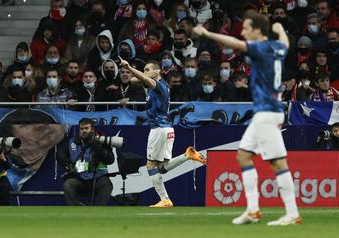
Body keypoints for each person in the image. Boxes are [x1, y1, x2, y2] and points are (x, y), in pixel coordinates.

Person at [193, 10, 301, 225]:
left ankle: (292, 213)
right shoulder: (277, 47)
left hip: (267, 112)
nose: (242, 31)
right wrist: (279, 29)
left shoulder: (260, 48)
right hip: (267, 111)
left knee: (278, 163)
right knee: (243, 156)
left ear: (258, 31)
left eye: (246, 28)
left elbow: (235, 43)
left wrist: (207, 33)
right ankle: (253, 210)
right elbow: (285, 42)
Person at [118, 56, 206, 208]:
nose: (144, 72)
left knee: (151, 166)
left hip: (158, 129)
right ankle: (187, 155)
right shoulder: (157, 84)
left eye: (147, 69)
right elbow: (132, 81)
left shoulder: (158, 84)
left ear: (156, 71)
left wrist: (129, 67)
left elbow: (139, 78)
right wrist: (142, 73)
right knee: (163, 167)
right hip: (167, 129)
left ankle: (165, 199)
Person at [57, 118, 114, 205]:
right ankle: (76, 211)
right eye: (81, 128)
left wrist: (97, 147)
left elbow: (110, 160)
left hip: (98, 177)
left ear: (92, 129)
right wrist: (68, 164)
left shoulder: (101, 141)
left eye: (86, 128)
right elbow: (60, 153)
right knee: (68, 184)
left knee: (107, 184)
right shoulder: (73, 142)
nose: (84, 131)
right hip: (79, 178)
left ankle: (98, 211)